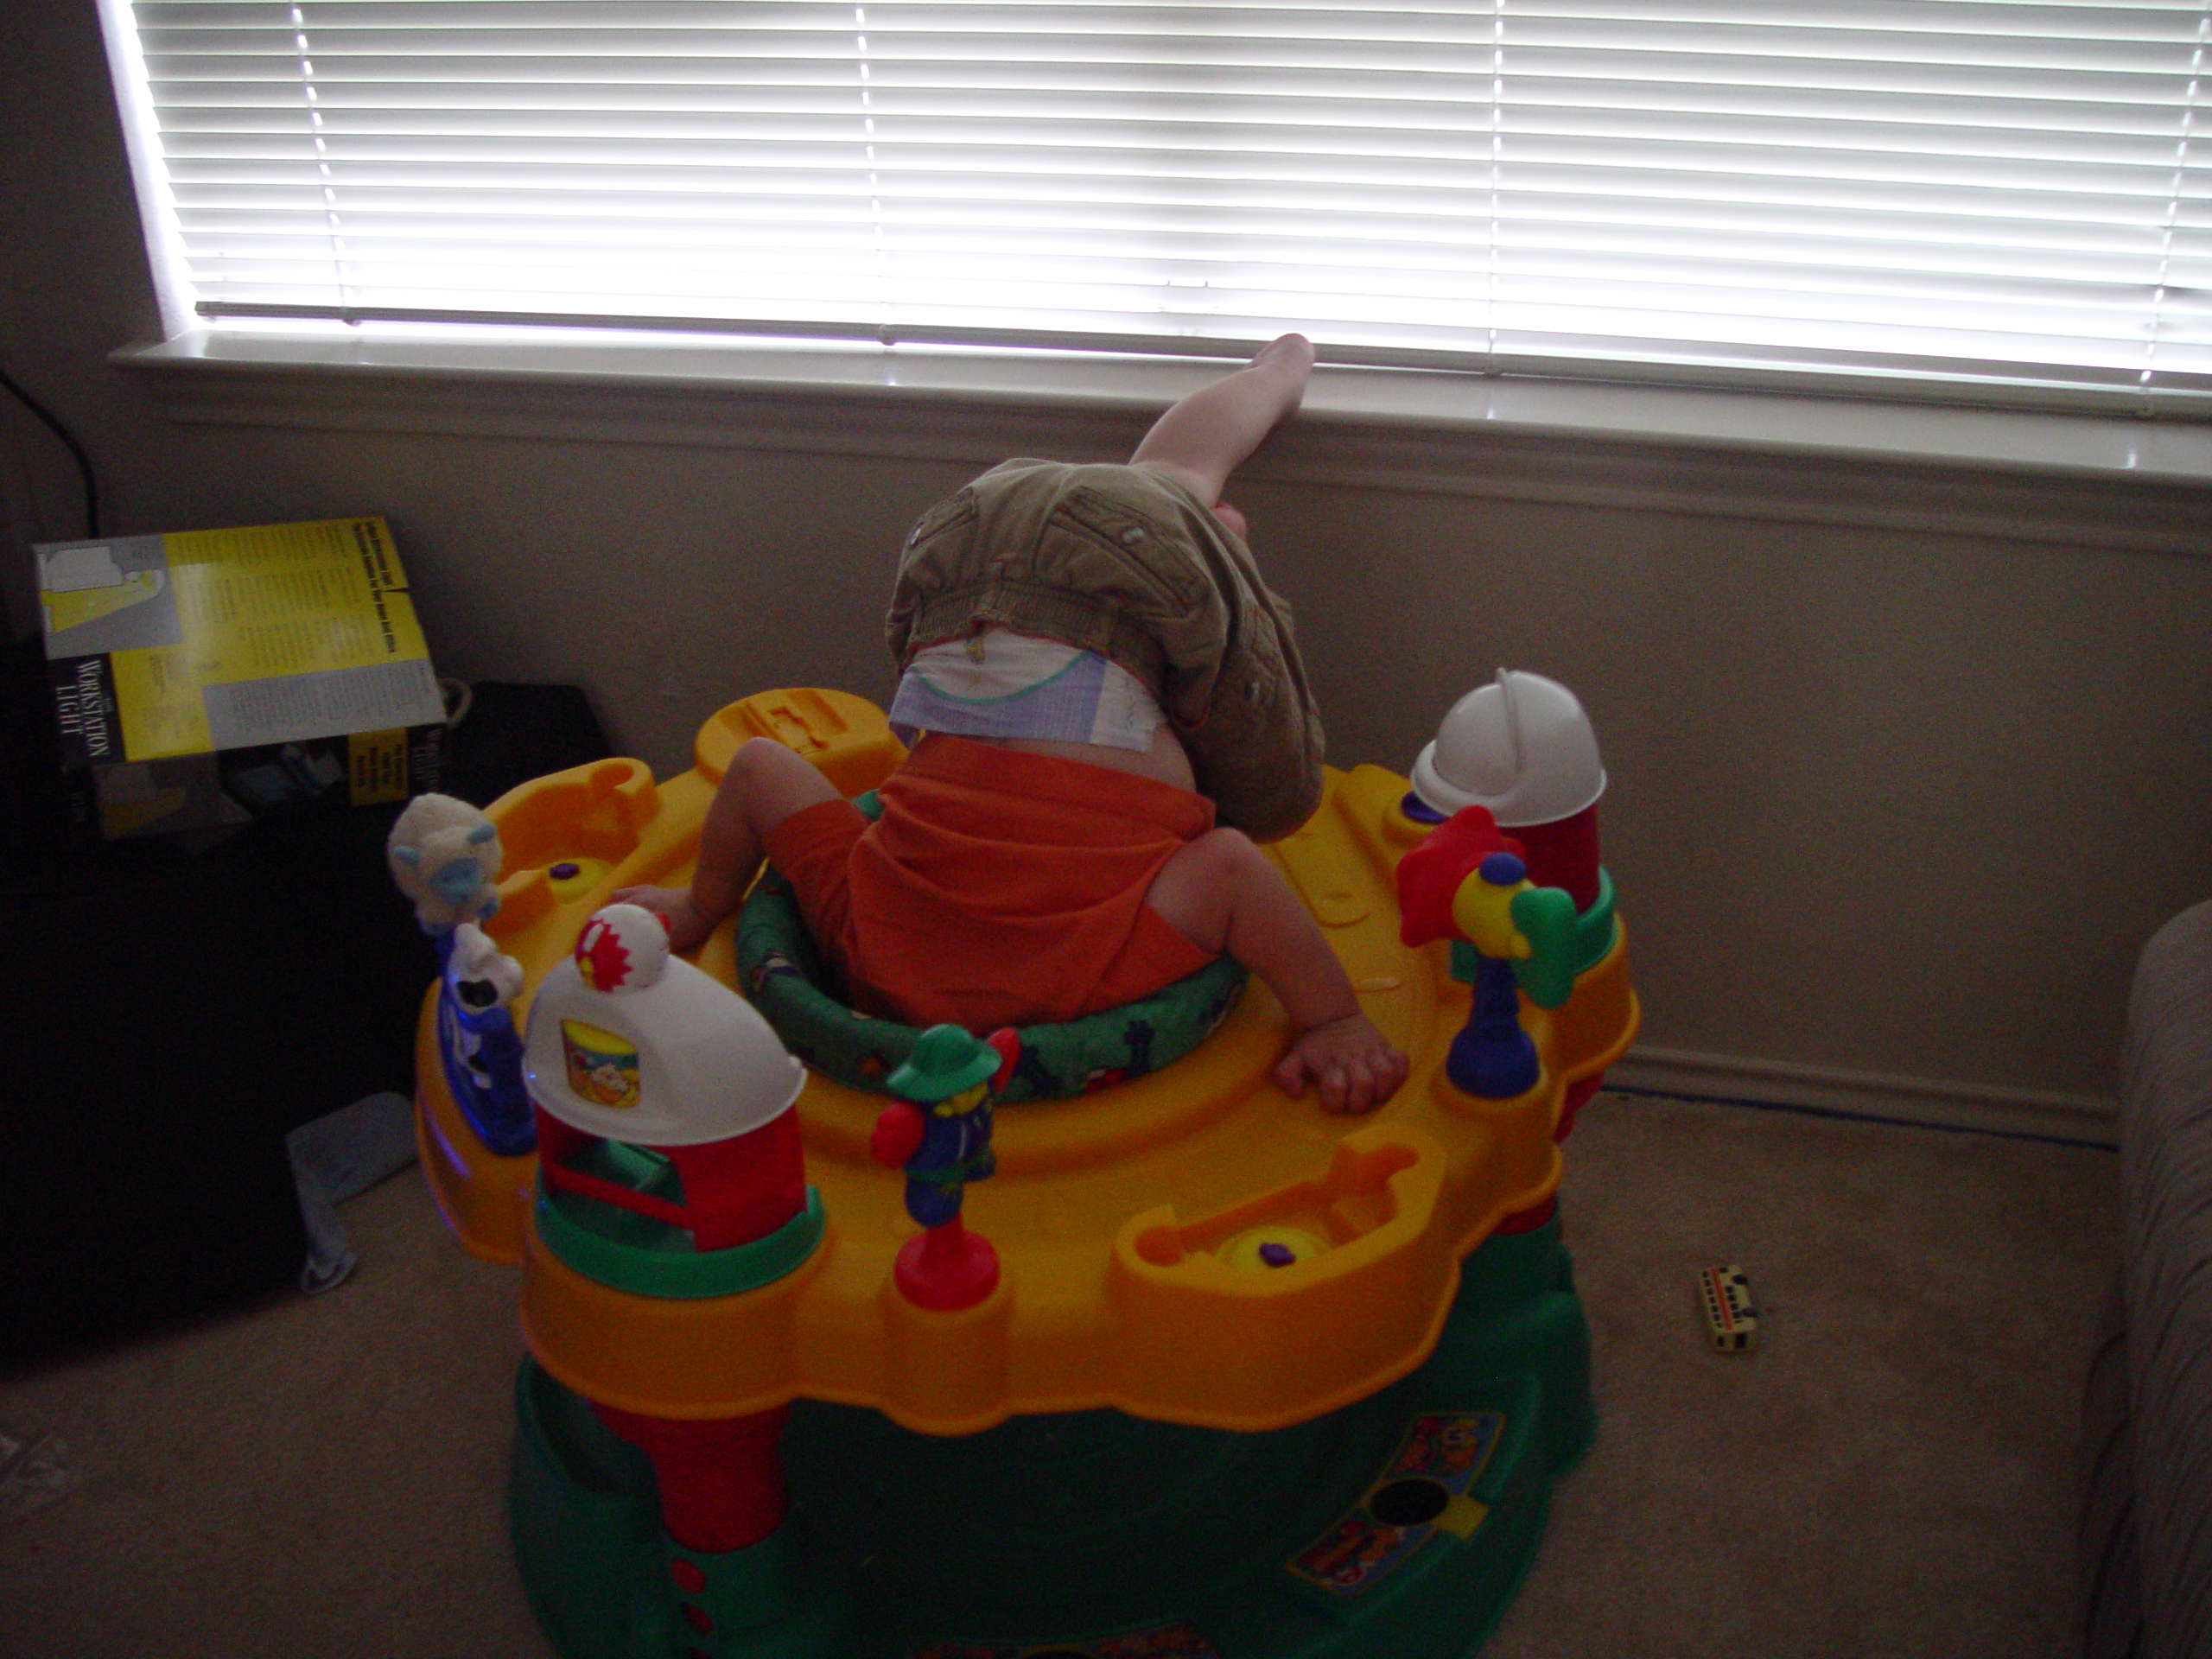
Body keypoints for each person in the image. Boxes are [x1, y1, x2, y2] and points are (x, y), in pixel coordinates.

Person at [617, 334, 1408, 1113]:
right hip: (961, 577)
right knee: (1159, 487)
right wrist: (699, 906)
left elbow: (1233, 867)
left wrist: (1331, 1018)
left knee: (1261, 775)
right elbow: (757, 768)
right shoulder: (858, 933)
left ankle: (1230, 495)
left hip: (1117, 622)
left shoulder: (1100, 972)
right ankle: (1268, 391)